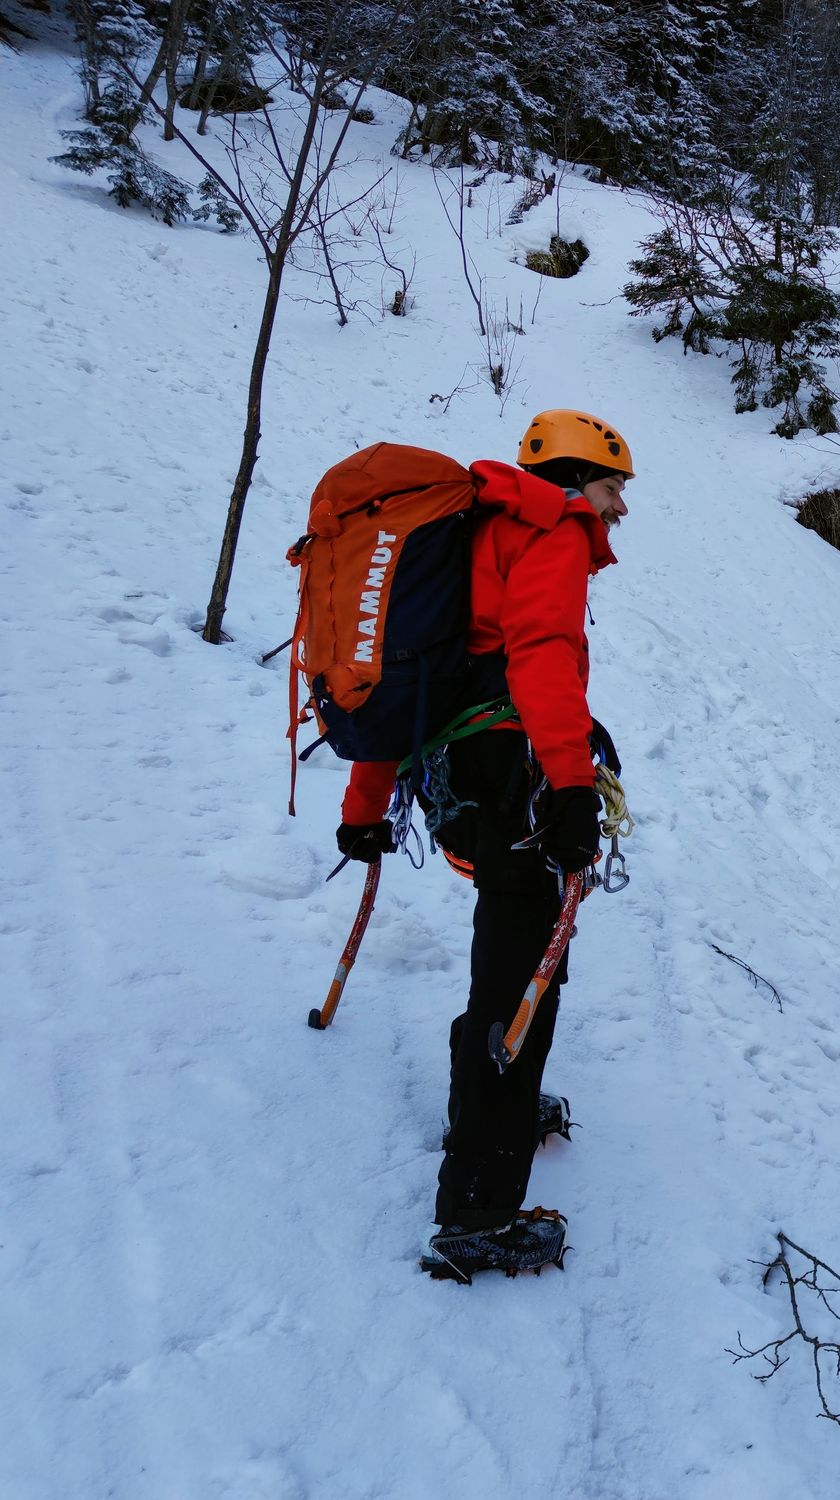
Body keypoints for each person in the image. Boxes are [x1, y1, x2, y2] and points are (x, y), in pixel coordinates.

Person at [334, 409, 631, 1280]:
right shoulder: (554, 529)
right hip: (514, 779)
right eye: (614, 487)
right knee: (522, 963)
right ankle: (478, 1209)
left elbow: (409, 672)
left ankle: (492, 1109)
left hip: (461, 776)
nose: (619, 509)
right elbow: (541, 656)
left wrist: (366, 803)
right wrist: (575, 789)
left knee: (517, 941)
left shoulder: (470, 528)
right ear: (576, 481)